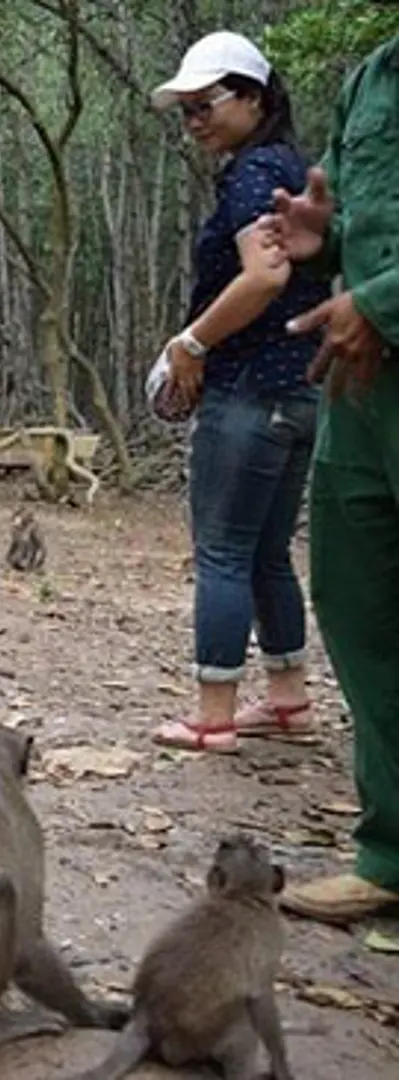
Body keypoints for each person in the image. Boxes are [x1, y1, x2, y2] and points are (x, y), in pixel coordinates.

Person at [144, 32, 331, 754]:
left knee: (221, 551)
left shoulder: (255, 174)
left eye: (204, 104)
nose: (192, 121)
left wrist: (189, 343)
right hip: (298, 390)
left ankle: (211, 713)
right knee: (266, 552)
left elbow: (264, 277)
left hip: (251, 389)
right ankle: (286, 699)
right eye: (183, 110)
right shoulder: (286, 167)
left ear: (253, 98)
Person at [259, 29, 399, 924]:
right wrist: (325, 241)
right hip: (359, 387)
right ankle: (388, 850)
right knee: (360, 615)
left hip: (374, 329)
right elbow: (363, 224)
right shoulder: (370, 77)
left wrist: (382, 301)